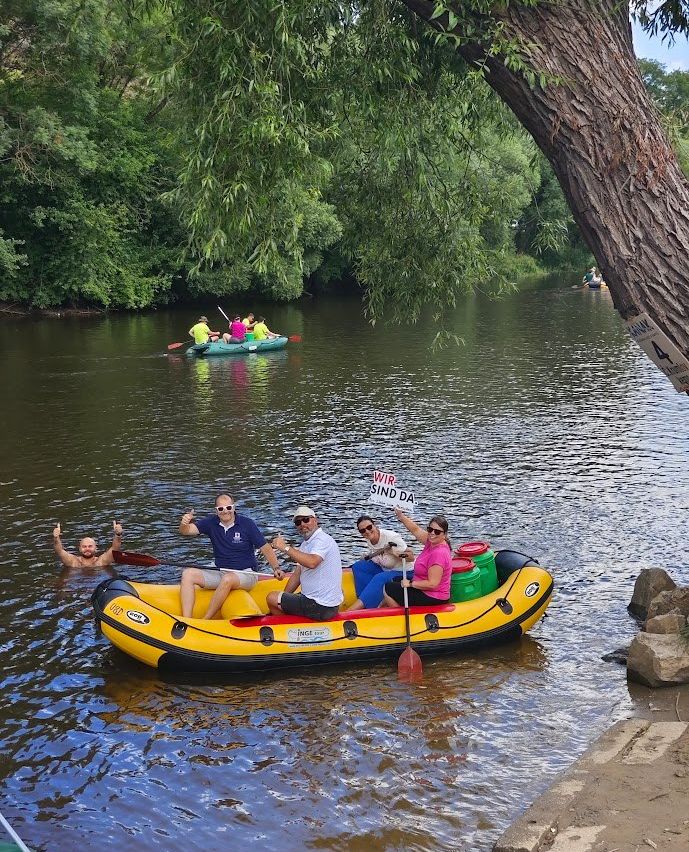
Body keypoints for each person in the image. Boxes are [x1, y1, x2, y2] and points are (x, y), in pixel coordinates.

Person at [178, 495, 283, 619]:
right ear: (216, 510)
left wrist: (276, 568)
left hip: (246, 573)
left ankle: (206, 619)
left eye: (228, 507)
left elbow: (265, 548)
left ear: (233, 508)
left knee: (228, 579)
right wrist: (184, 523)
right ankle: (186, 620)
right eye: (221, 509)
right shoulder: (211, 522)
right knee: (187, 574)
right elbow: (186, 531)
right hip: (221, 570)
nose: (225, 511)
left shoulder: (247, 524)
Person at [267, 506, 343, 620]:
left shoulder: (322, 540)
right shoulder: (306, 545)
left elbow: (312, 562)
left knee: (271, 598)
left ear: (315, 520)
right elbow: (297, 575)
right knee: (278, 598)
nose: (302, 524)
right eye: (298, 522)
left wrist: (285, 547)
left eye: (306, 520)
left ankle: (287, 630)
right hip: (313, 601)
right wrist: (284, 597)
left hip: (321, 605)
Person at [382, 508, 452, 607]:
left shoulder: (439, 554)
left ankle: (399, 616)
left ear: (444, 535)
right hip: (423, 587)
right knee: (395, 580)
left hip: (433, 596)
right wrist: (401, 516)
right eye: (430, 529)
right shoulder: (432, 541)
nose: (432, 533)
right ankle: (382, 608)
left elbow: (432, 584)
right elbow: (416, 530)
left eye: (437, 532)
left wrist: (411, 584)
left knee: (387, 588)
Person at [348, 515, 414, 611]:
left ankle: (352, 611)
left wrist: (395, 553)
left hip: (405, 572)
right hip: (386, 569)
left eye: (369, 527)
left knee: (381, 577)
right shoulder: (369, 539)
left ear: (375, 525)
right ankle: (367, 602)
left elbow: (411, 556)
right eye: (362, 531)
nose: (367, 531)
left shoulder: (391, 537)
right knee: (358, 566)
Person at [52, 521, 123, 569]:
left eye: (90, 546)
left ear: (96, 548)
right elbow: (59, 551)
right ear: (79, 548)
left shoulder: (101, 561)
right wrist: (56, 538)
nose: (87, 549)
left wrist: (118, 535)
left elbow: (115, 548)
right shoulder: (73, 561)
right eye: (84, 546)